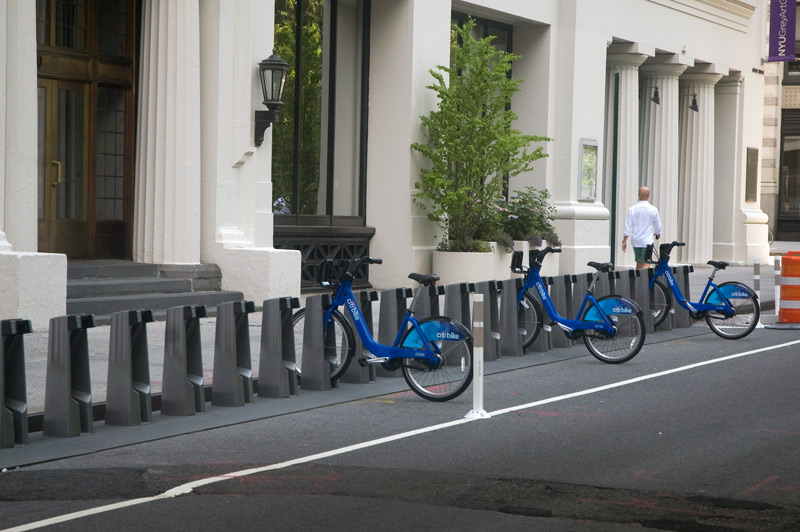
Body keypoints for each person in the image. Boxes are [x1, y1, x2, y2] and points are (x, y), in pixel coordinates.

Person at [621, 186, 662, 270]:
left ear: (639, 195)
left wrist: (624, 241)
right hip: (647, 241)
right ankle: (644, 282)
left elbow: (628, 226)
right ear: (648, 195)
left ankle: (637, 281)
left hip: (636, 241)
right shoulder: (653, 209)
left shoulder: (632, 209)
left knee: (639, 262)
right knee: (646, 263)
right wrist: (658, 234)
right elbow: (658, 226)